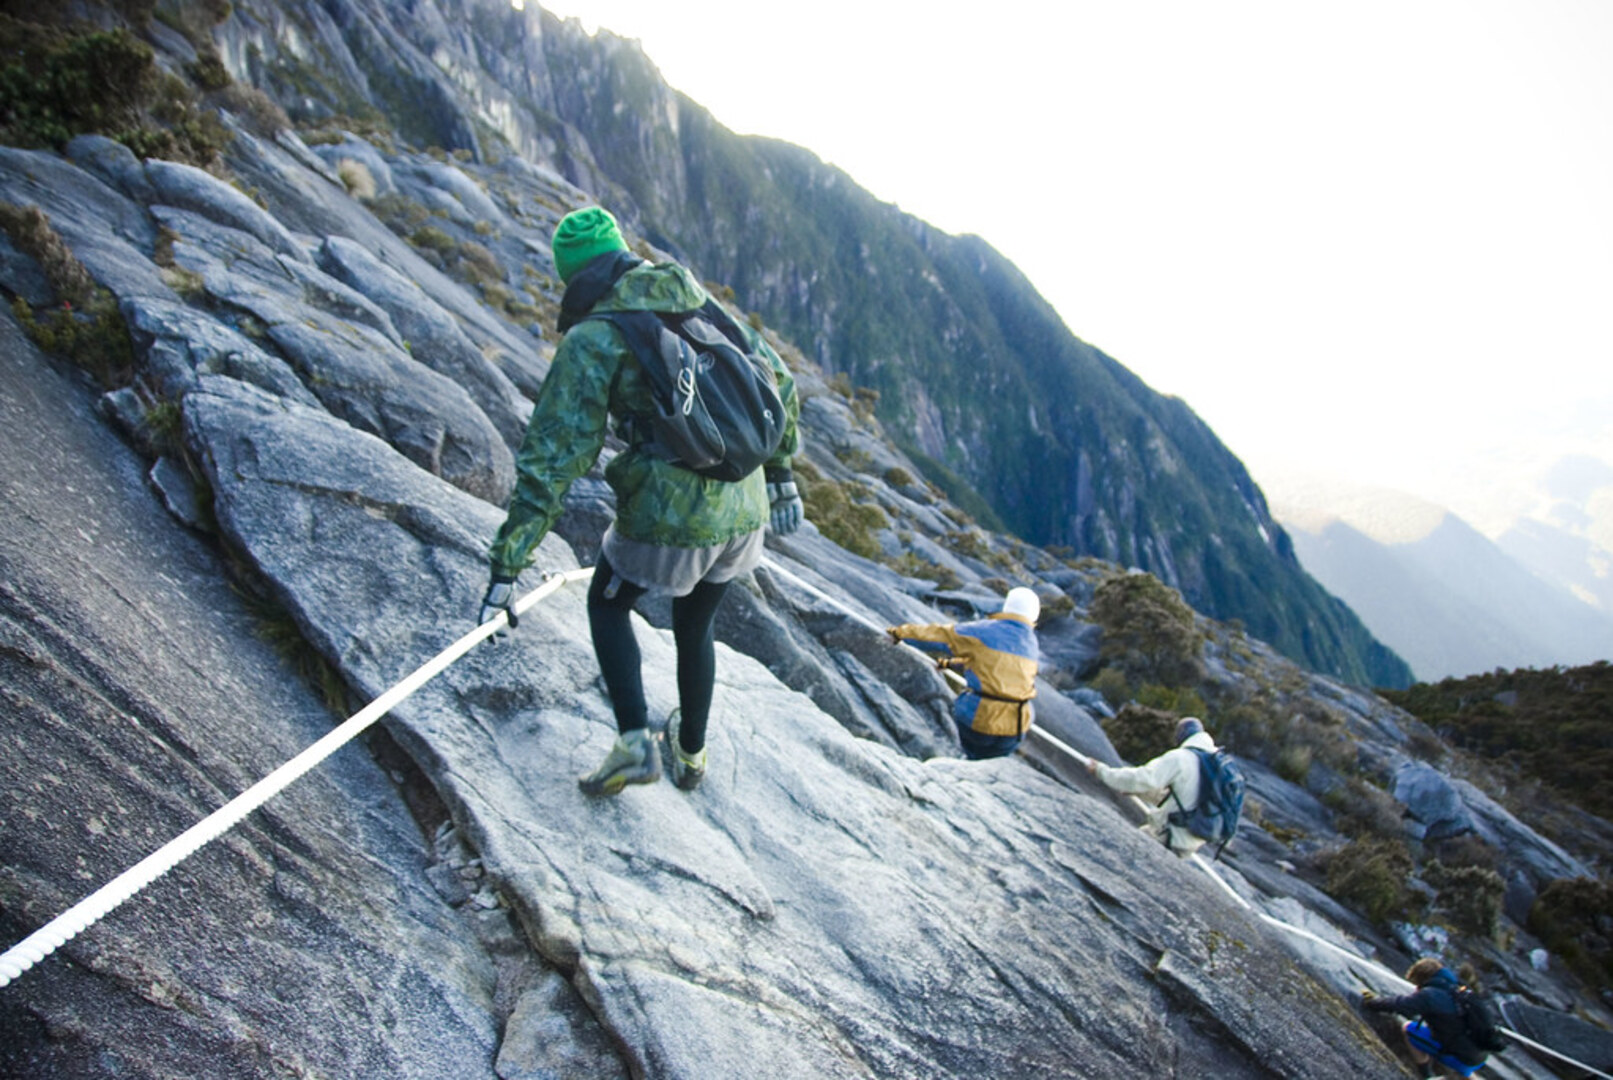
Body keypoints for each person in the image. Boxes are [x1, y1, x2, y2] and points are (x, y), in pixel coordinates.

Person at [479, 206, 802, 796]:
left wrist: (508, 563)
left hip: (675, 514)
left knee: (608, 605)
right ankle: (693, 754)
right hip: (746, 505)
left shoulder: (595, 336)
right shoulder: (691, 295)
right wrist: (781, 470)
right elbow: (775, 376)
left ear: (572, 274)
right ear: (620, 251)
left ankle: (634, 744)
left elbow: (554, 454)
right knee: (695, 622)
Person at [887, 588, 1041, 759]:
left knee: (973, 755)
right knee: (991, 762)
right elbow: (992, 666)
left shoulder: (984, 630)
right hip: (1016, 727)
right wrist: (950, 664)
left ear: (1007, 607)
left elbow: (939, 636)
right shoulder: (1030, 643)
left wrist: (899, 633)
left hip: (980, 721)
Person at [1086, 716, 1219, 856]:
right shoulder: (1213, 764)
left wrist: (1101, 771)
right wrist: (1139, 792)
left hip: (1170, 837)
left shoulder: (1181, 758)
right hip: (1192, 840)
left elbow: (1142, 778)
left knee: (1120, 851)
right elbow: (1180, 798)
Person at [1359, 958, 1492, 1077]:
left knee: (1408, 1029)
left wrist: (1373, 1002)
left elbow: (1400, 1005)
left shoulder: (1430, 995)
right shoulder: (1458, 988)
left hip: (1460, 1057)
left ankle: (1427, 1075)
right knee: (1467, 1062)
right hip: (1481, 1056)